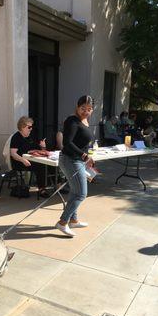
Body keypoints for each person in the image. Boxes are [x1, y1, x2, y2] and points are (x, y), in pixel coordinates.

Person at [55, 95, 95, 237]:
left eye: (89, 109)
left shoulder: (84, 121)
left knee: (75, 190)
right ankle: (62, 222)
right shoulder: (72, 121)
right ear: (77, 107)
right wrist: (84, 156)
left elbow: (82, 142)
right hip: (70, 160)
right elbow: (67, 142)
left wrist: (87, 155)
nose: (86, 111)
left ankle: (73, 220)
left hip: (78, 160)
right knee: (81, 193)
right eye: (83, 108)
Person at [10, 116, 49, 198]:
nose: (31, 129)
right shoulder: (16, 137)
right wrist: (23, 160)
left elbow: (39, 150)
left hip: (30, 159)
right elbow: (13, 153)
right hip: (19, 162)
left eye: (32, 127)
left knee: (49, 164)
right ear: (22, 127)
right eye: (29, 127)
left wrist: (43, 147)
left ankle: (57, 185)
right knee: (41, 166)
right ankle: (42, 189)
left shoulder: (30, 137)